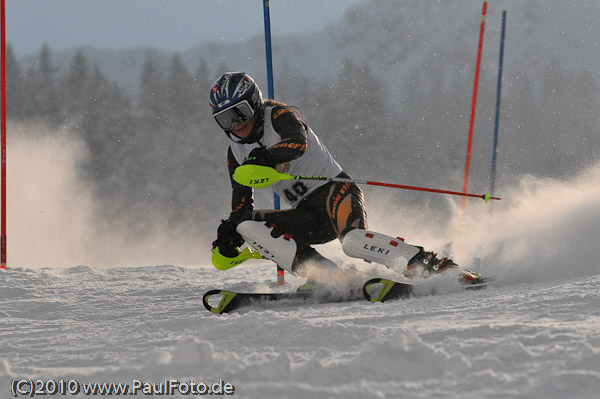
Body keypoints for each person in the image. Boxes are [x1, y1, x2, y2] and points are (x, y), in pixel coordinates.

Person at [208, 72, 474, 286]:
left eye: (239, 113)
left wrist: (265, 156)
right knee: (244, 224)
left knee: (353, 241)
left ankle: (433, 265)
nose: (234, 125)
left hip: (335, 192)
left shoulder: (279, 116)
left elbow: (296, 143)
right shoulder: (236, 153)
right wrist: (230, 233)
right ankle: (328, 277)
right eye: (224, 119)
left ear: (254, 102)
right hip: (306, 215)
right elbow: (241, 205)